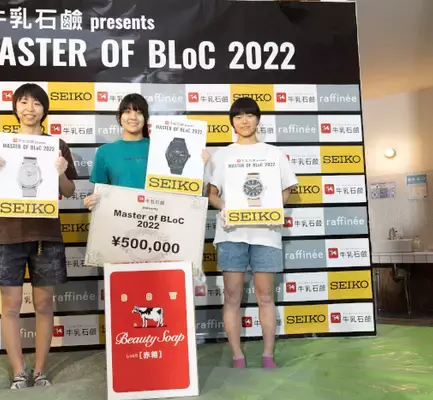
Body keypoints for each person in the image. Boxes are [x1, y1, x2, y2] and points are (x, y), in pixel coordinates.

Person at [0, 83, 78, 389]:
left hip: (46, 235)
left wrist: (61, 171)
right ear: (15, 108)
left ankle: (41, 370)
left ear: (45, 109)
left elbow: (69, 192)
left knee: (44, 304)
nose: (30, 109)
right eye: (23, 102)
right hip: (6, 234)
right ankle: (19, 371)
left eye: (36, 103)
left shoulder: (57, 146)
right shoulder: (2, 144)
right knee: (9, 306)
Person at [205, 97, 298, 369]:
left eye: (249, 115)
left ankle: (268, 355)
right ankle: (238, 356)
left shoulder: (274, 154)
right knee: (232, 296)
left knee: (265, 295)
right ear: (232, 123)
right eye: (238, 116)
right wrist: (226, 208)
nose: (244, 121)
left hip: (266, 234)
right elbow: (213, 194)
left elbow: (286, 189)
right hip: (231, 234)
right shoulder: (221, 155)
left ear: (258, 119)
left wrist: (272, 208)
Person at [83, 93, 209, 207]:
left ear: (145, 118)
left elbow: (182, 188)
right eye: (127, 111)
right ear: (120, 117)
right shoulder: (104, 152)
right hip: (120, 217)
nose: (133, 117)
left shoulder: (161, 148)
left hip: (160, 216)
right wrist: (92, 201)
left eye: (139, 112)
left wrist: (199, 166)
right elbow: (100, 194)